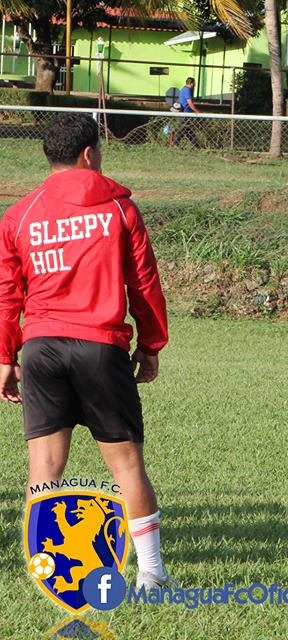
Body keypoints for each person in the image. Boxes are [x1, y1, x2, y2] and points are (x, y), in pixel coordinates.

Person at [0, 113, 174, 590]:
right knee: (125, 465)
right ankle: (151, 574)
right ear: (89, 154)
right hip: (100, 347)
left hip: (39, 348)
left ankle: (50, 571)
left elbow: (7, 294)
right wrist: (152, 343)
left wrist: (5, 357)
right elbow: (143, 284)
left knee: (45, 467)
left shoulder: (20, 216)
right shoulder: (119, 211)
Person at [172, 76, 201, 146]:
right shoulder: (187, 90)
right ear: (190, 83)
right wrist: (198, 112)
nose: (194, 86)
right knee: (182, 130)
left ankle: (196, 146)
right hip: (185, 114)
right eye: (194, 84)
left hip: (185, 114)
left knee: (188, 131)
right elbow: (190, 104)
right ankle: (174, 144)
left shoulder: (183, 89)